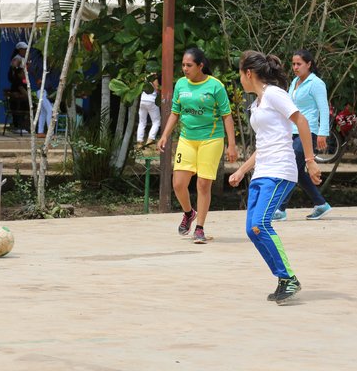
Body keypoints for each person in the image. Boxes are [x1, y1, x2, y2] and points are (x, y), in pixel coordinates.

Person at [228, 50, 322, 305]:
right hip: (262, 172)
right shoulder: (257, 103)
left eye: (240, 74)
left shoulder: (274, 94)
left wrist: (310, 161)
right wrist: (241, 170)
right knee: (252, 229)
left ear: (248, 73)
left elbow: (301, 121)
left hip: (280, 170)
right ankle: (283, 280)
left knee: (261, 224)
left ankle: (289, 277)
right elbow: (264, 144)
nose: (240, 79)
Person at [157, 48, 238, 244]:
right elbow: (175, 112)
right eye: (183, 65)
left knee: (203, 184)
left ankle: (200, 228)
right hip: (187, 138)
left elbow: (227, 116)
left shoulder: (215, 86)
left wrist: (232, 145)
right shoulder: (181, 85)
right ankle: (188, 213)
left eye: (189, 65)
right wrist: (165, 135)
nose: (185, 69)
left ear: (200, 66)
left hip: (211, 139)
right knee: (178, 183)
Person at [273, 49, 332, 221]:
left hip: (309, 131)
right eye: (293, 64)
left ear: (309, 64)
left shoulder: (316, 83)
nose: (295, 67)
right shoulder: (295, 82)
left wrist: (323, 133)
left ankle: (280, 209)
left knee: (290, 167)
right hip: (292, 131)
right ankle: (321, 204)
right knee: (297, 170)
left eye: (299, 64)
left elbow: (323, 108)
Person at [7, 42, 30, 133]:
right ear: (19, 50)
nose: (25, 51)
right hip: (18, 85)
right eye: (23, 49)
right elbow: (14, 68)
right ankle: (19, 126)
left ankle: (24, 126)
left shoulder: (23, 59)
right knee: (22, 103)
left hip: (22, 84)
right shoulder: (17, 58)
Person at [136, 74, 161, 149]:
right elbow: (157, 88)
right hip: (152, 100)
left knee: (142, 122)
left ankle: (139, 142)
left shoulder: (144, 77)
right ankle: (150, 139)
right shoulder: (154, 77)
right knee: (156, 121)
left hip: (143, 100)